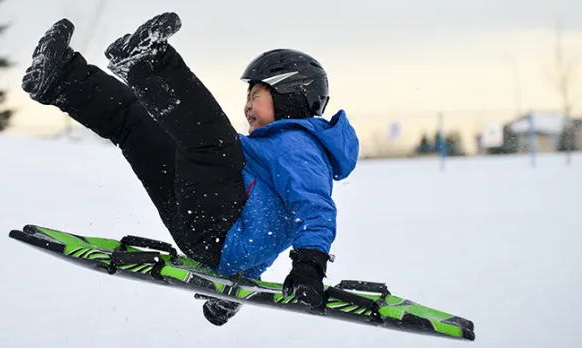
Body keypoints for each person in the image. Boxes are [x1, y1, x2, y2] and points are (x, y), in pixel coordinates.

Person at [21, 12, 359, 326]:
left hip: (218, 226)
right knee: (138, 126)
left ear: (290, 94)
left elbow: (316, 211)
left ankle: (149, 61)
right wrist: (236, 286)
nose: (247, 106)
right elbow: (268, 231)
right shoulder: (274, 149)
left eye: (255, 94)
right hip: (206, 233)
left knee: (214, 140)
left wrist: (309, 266)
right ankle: (59, 77)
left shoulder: (301, 147)